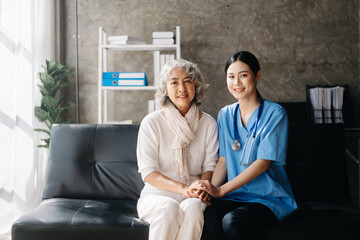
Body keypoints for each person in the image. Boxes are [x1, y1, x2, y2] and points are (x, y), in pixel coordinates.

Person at [190, 51, 297, 239]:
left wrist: (221, 190)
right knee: (209, 215)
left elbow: (263, 163)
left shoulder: (275, 114)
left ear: (257, 76)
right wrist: (210, 190)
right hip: (234, 195)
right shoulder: (225, 114)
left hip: (267, 198)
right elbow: (223, 160)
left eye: (243, 75)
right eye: (231, 77)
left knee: (233, 220)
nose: (236, 82)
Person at [136, 59, 219, 240]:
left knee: (195, 208)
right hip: (156, 196)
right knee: (169, 208)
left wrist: (200, 188)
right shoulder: (152, 122)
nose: (181, 88)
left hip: (193, 194)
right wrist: (182, 188)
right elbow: (148, 172)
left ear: (196, 86)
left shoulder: (208, 123)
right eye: (174, 82)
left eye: (187, 81)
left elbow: (209, 167)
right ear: (165, 88)